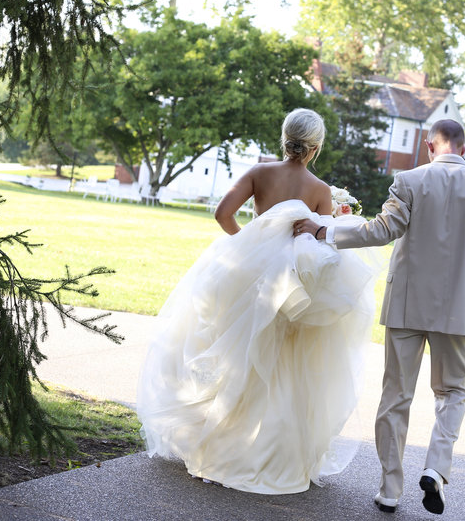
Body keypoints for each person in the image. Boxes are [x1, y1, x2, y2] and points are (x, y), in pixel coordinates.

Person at [136, 108, 380, 494]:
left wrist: (249, 247)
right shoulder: (319, 191)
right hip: (289, 289)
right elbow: (320, 251)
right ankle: (266, 451)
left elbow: (223, 214)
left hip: (247, 280)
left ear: (284, 137)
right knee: (281, 364)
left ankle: (218, 441)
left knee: (236, 356)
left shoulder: (258, 173)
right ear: (315, 147)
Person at [295, 119, 465, 515]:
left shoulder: (409, 180)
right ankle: (435, 468)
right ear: (464, 150)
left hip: (406, 303)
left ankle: (389, 490)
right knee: (453, 392)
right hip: (457, 308)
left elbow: (383, 230)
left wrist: (325, 232)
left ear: (430, 146)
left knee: (396, 395)